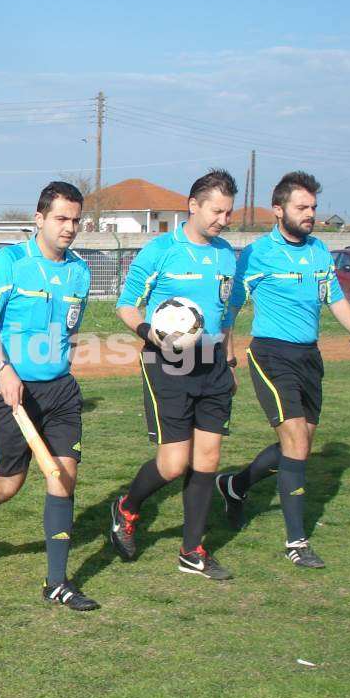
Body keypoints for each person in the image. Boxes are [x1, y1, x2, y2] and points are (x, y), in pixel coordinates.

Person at [222, 171, 350, 568]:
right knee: (295, 441)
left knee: (300, 445)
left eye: (313, 207)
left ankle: (234, 484)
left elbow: (337, 301)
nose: (311, 213)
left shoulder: (317, 252)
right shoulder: (257, 253)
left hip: (309, 357)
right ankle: (296, 542)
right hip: (270, 355)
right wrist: (227, 361)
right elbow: (231, 309)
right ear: (278, 210)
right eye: (302, 207)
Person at [0, 181, 97, 611]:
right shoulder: (9, 262)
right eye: (61, 218)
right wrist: (5, 369)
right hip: (10, 388)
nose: (69, 228)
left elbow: (68, 328)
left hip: (61, 391)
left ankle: (56, 582)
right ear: (39, 219)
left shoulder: (80, 272)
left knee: (62, 478)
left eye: (75, 220)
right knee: (8, 485)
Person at [109, 169, 240, 580]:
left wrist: (231, 362)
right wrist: (152, 334)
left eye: (229, 212)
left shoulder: (226, 254)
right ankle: (127, 507)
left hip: (214, 364)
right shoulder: (160, 250)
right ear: (194, 205)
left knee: (208, 459)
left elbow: (226, 313)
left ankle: (192, 550)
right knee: (172, 463)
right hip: (167, 364)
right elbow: (126, 305)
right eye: (217, 211)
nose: (224, 219)